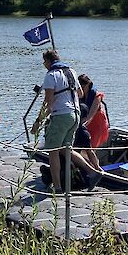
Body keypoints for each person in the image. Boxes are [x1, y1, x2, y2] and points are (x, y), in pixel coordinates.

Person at [39, 49, 96, 192]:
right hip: (75, 115)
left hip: (61, 115)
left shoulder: (51, 75)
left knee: (53, 151)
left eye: (44, 62)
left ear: (48, 61)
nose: (44, 65)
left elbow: (48, 101)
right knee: (66, 149)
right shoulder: (71, 71)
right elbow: (80, 93)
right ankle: (92, 172)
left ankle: (57, 187)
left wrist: (39, 121)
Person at [77, 74, 109, 172]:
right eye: (80, 86)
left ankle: (95, 169)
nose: (82, 88)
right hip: (85, 123)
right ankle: (89, 168)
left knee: (90, 148)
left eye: (84, 86)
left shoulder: (96, 96)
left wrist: (80, 125)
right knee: (82, 148)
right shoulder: (78, 94)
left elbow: (90, 116)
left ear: (88, 84)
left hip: (97, 123)